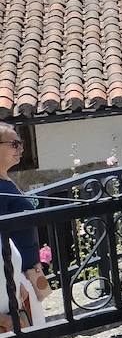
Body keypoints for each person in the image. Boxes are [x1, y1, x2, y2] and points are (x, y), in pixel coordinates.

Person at [0, 122, 50, 314]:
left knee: (31, 332)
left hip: (23, 272)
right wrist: (11, 281)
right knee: (25, 334)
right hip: (13, 276)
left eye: (20, 143)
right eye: (14, 144)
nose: (21, 148)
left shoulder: (5, 180)